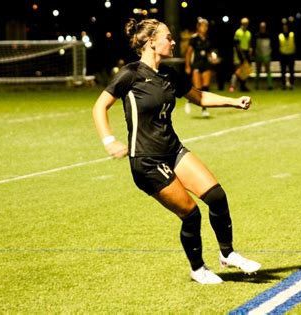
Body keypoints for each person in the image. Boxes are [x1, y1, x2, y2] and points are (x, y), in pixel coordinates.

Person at [92, 18, 261, 285]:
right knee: (191, 214)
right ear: (151, 42)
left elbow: (200, 97)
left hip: (173, 150)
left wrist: (234, 102)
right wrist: (109, 140)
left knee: (217, 197)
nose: (172, 42)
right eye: (168, 37)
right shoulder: (131, 74)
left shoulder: (170, 74)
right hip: (146, 161)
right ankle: (198, 269)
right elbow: (99, 107)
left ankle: (228, 254)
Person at [184, 18, 212, 117]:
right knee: (198, 87)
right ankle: (189, 100)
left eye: (206, 26)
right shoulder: (194, 38)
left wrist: (212, 58)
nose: (205, 28)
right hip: (197, 64)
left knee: (205, 87)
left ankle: (204, 109)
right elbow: (188, 53)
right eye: (203, 26)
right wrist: (187, 65)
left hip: (206, 64)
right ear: (198, 27)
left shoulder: (208, 38)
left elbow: (209, 52)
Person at [230, 17, 252, 92]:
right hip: (238, 54)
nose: (246, 25)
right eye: (244, 24)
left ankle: (243, 86)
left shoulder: (248, 33)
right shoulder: (238, 32)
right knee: (237, 71)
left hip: (246, 53)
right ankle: (232, 86)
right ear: (242, 24)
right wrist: (241, 55)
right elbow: (236, 44)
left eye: (247, 24)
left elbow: (249, 43)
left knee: (245, 71)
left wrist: (249, 50)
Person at [254, 21, 273, 90]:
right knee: (258, 70)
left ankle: (270, 85)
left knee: (268, 70)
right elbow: (254, 45)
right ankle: (256, 85)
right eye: (261, 27)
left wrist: (269, 52)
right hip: (258, 54)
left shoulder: (268, 35)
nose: (262, 28)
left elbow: (271, 45)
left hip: (266, 54)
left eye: (264, 27)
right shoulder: (257, 35)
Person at [278, 22, 296, 90]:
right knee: (283, 71)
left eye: (286, 28)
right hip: (283, 55)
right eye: (284, 28)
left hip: (291, 55)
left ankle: (291, 84)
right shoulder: (280, 35)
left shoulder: (292, 34)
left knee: (291, 71)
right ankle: (283, 84)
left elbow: (295, 44)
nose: (285, 29)